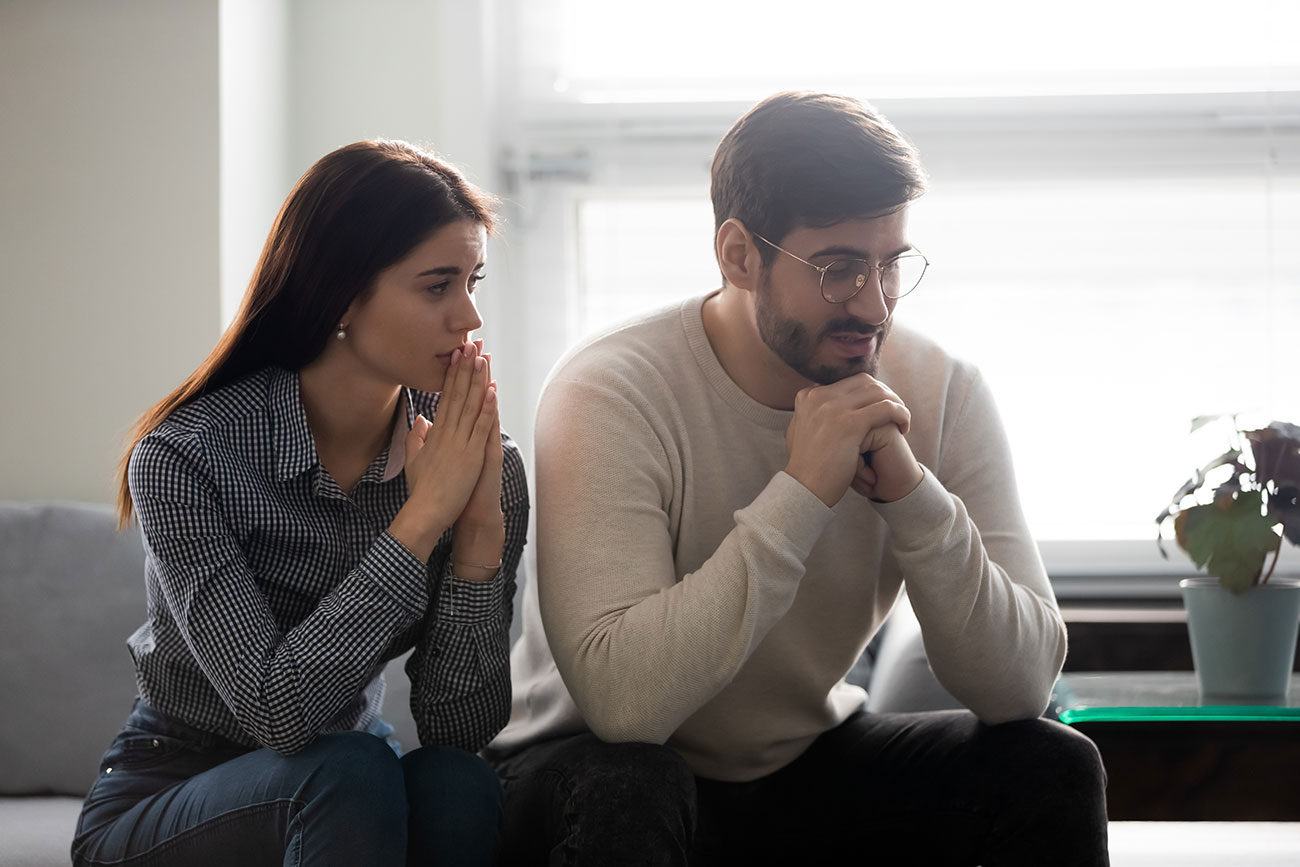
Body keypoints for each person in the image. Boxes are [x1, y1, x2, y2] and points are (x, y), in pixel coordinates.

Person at [487, 92, 1108, 865]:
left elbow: (1018, 686)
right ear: (739, 253)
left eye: (890, 265)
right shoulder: (609, 390)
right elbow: (625, 706)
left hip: (804, 763)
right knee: (631, 781)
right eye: (840, 269)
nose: (873, 304)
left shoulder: (940, 389)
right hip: (584, 764)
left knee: (1050, 763)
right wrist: (802, 491)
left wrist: (914, 499)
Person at [71, 140, 529, 867]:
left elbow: (455, 725)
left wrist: (475, 534)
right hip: (173, 782)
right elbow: (276, 711)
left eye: (472, 281)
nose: (469, 318)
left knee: (454, 781)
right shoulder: (188, 457)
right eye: (438, 286)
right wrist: (421, 520)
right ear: (344, 294)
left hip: (347, 776)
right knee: (347, 770)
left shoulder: (478, 467)